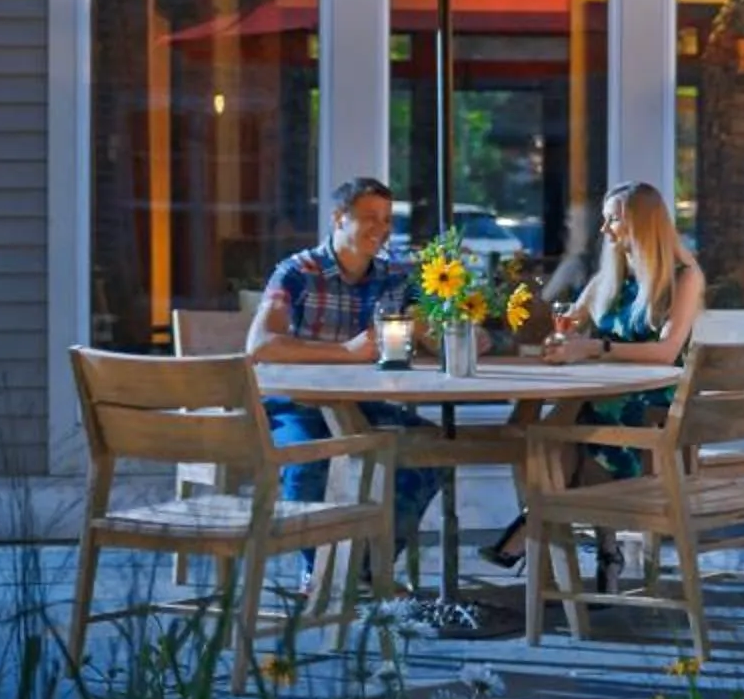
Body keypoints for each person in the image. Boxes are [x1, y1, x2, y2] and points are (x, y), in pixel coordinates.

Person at [482, 181, 706, 572]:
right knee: (537, 428)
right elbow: (567, 323)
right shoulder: (610, 277)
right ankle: (604, 553)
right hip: (602, 392)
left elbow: (667, 353)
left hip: (654, 397)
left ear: (642, 223)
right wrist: (557, 337)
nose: (604, 231)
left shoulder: (683, 277)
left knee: (556, 430)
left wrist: (593, 348)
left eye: (613, 220)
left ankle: (533, 526)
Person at [242, 175, 443, 588]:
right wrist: (345, 352)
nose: (381, 228)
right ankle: (319, 572)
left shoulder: (396, 276)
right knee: (309, 458)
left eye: (386, 219)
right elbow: (259, 344)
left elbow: (433, 334)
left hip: (367, 405)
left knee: (434, 451)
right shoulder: (297, 272)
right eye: (369, 217)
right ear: (338, 218)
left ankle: (370, 566)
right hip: (296, 403)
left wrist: (453, 332)